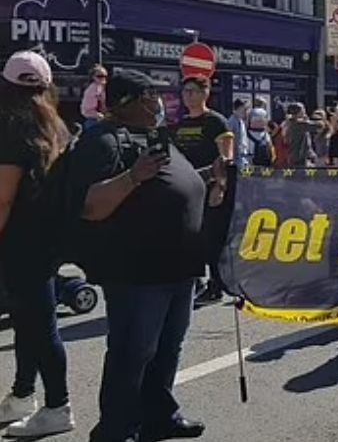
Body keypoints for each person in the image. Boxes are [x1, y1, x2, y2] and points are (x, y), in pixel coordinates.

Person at [70, 69, 224, 442]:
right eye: (152, 96)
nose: (159, 103)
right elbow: (89, 205)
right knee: (133, 351)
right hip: (138, 272)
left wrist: (208, 176)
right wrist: (132, 177)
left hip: (180, 267)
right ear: (132, 102)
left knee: (168, 347)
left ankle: (160, 416)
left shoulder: (156, 136)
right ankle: (116, 428)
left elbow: (173, 183)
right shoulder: (102, 142)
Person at [0, 52, 75, 437]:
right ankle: (23, 394)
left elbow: (3, 197)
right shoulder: (55, 126)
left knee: (39, 326)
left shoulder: (13, 126)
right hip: (46, 237)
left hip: (19, 241)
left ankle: (57, 405)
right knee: (29, 322)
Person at [172, 76, 233, 306]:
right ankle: (193, 281)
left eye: (193, 91)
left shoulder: (216, 122)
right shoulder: (180, 123)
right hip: (185, 188)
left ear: (205, 93)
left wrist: (221, 186)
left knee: (211, 238)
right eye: (185, 91)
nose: (188, 96)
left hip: (209, 186)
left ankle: (216, 285)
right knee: (189, 237)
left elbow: (226, 158)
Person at [282, 103, 321, 168]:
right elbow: (319, 126)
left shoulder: (288, 123)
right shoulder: (299, 124)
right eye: (303, 109)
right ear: (299, 112)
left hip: (292, 156)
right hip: (300, 157)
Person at [80, 64, 108, 129]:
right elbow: (86, 110)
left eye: (105, 76)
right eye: (100, 76)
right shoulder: (92, 90)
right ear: (93, 77)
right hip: (91, 116)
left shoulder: (101, 87)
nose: (103, 78)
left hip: (100, 114)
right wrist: (100, 115)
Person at [227, 99, 250, 169]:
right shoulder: (231, 122)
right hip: (236, 157)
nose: (246, 112)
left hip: (243, 155)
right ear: (238, 108)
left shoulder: (241, 121)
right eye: (244, 109)